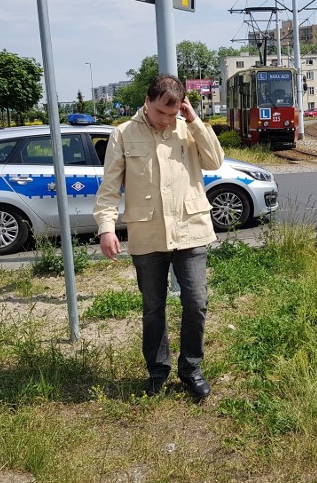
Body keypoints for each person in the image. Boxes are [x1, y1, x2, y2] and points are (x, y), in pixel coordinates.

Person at [94, 75, 225, 398]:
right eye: (160, 113)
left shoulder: (187, 127)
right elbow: (109, 188)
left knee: (196, 302)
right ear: (147, 100)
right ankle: (157, 370)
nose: (166, 120)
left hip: (189, 230)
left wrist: (194, 121)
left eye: (173, 113)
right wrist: (106, 228)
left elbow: (215, 161)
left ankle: (191, 368)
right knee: (153, 307)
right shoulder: (123, 134)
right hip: (147, 233)